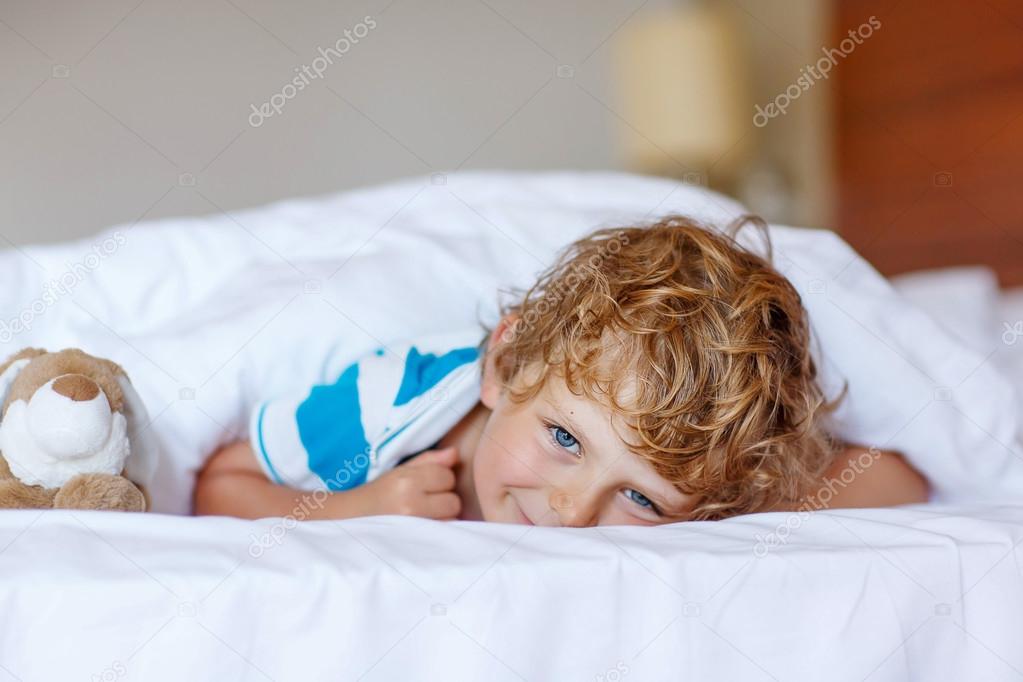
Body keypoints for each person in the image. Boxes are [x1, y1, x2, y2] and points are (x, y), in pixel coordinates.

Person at [193, 215, 929, 526]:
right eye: (565, 440)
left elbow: (901, 480)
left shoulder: (703, 481)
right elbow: (220, 483)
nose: (572, 512)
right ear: (506, 366)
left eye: (638, 499)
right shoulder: (392, 405)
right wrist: (360, 510)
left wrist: (747, 497)